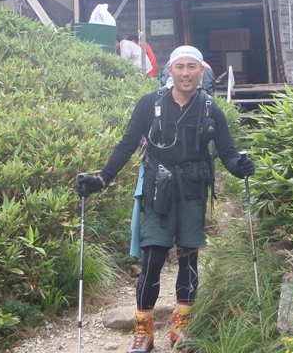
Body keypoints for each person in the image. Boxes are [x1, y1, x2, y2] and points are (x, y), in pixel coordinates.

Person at [76, 45, 255, 353]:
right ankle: (143, 331)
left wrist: (240, 167)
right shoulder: (150, 103)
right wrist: (101, 179)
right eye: (180, 67)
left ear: (202, 71)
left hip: (192, 189)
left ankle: (181, 327)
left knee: (188, 258)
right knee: (153, 258)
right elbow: (128, 143)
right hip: (157, 189)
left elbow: (226, 152)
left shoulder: (211, 109)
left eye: (192, 67)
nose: (186, 73)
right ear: (170, 71)